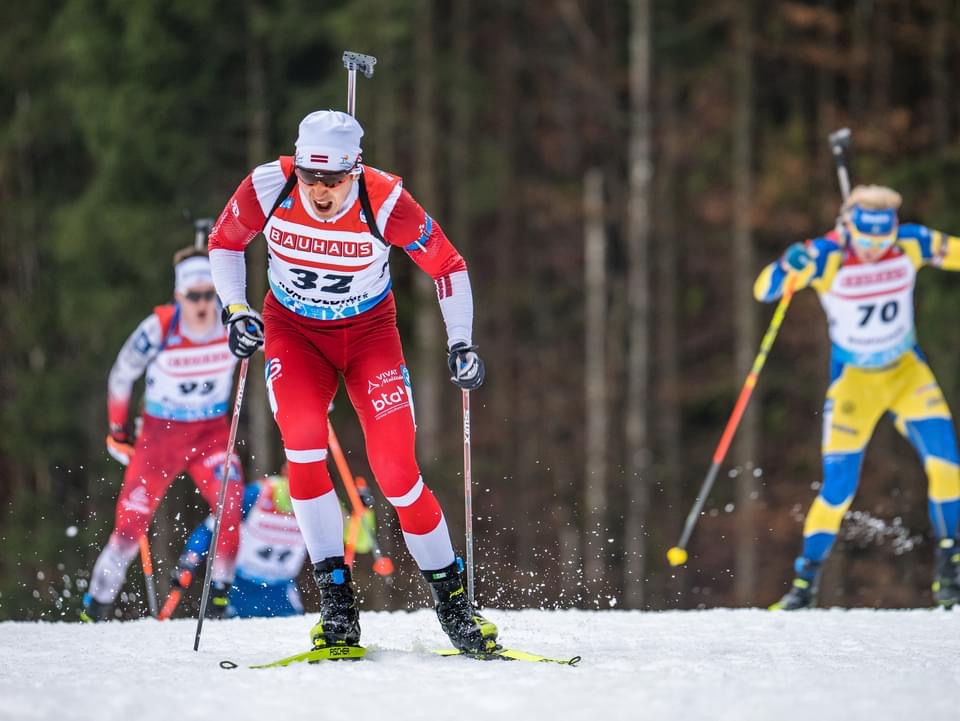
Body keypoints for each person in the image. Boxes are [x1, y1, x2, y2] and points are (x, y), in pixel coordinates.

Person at [207, 110, 495, 652]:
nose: (319, 191)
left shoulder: (384, 198)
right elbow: (224, 242)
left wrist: (461, 342)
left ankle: (456, 607)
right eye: (311, 177)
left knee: (396, 472)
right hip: (294, 333)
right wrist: (237, 309)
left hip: (368, 337)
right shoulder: (270, 185)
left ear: (354, 171)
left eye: (333, 180)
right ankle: (336, 606)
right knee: (304, 447)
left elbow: (448, 266)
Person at [755, 184, 960, 610]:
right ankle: (803, 587)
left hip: (907, 375)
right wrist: (787, 264)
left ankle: (950, 577)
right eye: (866, 241)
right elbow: (765, 290)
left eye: (882, 241)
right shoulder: (825, 256)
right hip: (855, 385)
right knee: (838, 488)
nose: (874, 250)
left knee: (947, 469)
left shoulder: (911, 244)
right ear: (847, 228)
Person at [81, 248, 244, 621]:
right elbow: (121, 375)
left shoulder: (231, 320)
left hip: (210, 436)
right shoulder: (160, 327)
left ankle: (218, 599)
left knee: (231, 504)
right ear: (178, 295)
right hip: (160, 438)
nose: (202, 305)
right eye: (193, 296)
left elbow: (278, 347)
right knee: (129, 525)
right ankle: (97, 606)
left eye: (209, 295)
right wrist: (119, 429)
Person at [167, 468, 374, 619]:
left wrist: (364, 511)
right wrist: (189, 562)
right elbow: (211, 527)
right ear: (286, 472)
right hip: (239, 586)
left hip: (280, 591)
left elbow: (361, 542)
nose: (294, 502)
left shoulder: (322, 501)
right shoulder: (257, 494)